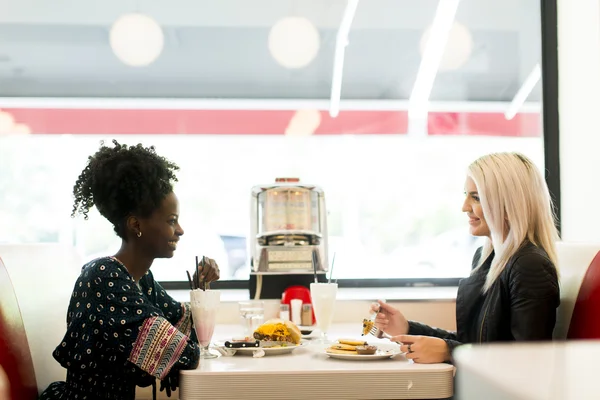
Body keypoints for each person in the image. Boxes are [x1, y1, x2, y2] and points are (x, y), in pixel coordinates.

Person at [39, 140, 220, 400]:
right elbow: (185, 355)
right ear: (136, 224)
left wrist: (201, 288)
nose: (180, 230)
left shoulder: (138, 278)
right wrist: (176, 344)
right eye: (171, 221)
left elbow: (185, 329)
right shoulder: (104, 278)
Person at [372, 152, 560, 364]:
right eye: (466, 195)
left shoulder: (530, 265)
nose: (464, 207)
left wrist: (450, 352)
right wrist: (406, 327)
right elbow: (470, 342)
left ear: (508, 206)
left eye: (476, 197)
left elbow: (528, 362)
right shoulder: (487, 258)